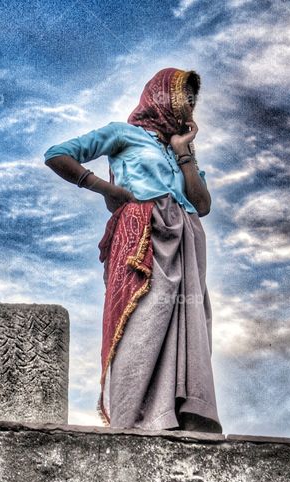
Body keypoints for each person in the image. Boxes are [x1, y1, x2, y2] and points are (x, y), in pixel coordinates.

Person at [43, 67, 221, 433]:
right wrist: (106, 189)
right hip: (143, 237)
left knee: (187, 321)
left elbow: (201, 204)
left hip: (185, 240)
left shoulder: (180, 152)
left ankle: (179, 413)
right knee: (144, 318)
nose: (187, 106)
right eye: (182, 97)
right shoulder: (123, 135)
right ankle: (134, 419)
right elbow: (57, 154)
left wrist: (184, 152)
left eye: (191, 100)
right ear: (161, 95)